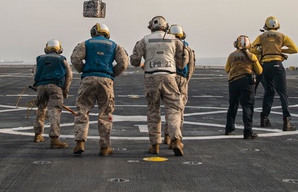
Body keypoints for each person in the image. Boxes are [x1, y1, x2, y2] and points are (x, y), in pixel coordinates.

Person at [130, 16, 188, 156]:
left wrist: (142, 64)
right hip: (170, 77)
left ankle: (154, 144)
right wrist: (177, 65)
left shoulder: (144, 40)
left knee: (153, 111)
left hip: (151, 77)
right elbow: (184, 57)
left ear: (151, 26)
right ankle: (175, 140)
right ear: (166, 26)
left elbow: (134, 59)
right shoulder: (174, 40)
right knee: (174, 110)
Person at [70, 23, 128, 157]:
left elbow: (75, 58)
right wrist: (112, 73)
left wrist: (83, 70)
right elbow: (124, 63)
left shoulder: (85, 44)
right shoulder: (115, 46)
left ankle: (79, 142)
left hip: (88, 79)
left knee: (82, 110)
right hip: (106, 81)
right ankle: (105, 147)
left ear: (94, 32)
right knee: (105, 114)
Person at [251, 15, 298, 131]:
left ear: (266, 25)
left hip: (265, 66)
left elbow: (252, 49)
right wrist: (281, 50)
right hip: (277, 65)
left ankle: (264, 118)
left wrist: (262, 50)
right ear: (277, 25)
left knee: (269, 92)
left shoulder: (261, 36)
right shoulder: (282, 36)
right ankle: (286, 122)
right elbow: (295, 49)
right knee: (283, 93)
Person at [33, 39, 72, 149]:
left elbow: (35, 74)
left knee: (41, 109)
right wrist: (65, 90)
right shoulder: (62, 59)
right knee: (54, 111)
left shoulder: (40, 59)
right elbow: (69, 75)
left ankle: (38, 135)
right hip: (55, 87)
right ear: (59, 48)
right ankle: (54, 139)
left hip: (41, 86)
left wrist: (37, 86)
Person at [225, 35, 263, 139]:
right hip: (246, 82)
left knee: (232, 105)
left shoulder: (231, 55)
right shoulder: (252, 56)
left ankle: (229, 128)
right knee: (247, 106)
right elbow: (259, 71)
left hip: (233, 82)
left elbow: (227, 69)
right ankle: (248, 131)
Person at [167, 24, 195, 144]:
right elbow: (191, 66)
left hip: (169, 77)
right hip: (182, 79)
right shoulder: (186, 47)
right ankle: (177, 137)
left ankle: (167, 136)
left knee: (170, 108)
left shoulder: (167, 46)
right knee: (179, 109)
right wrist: (186, 80)